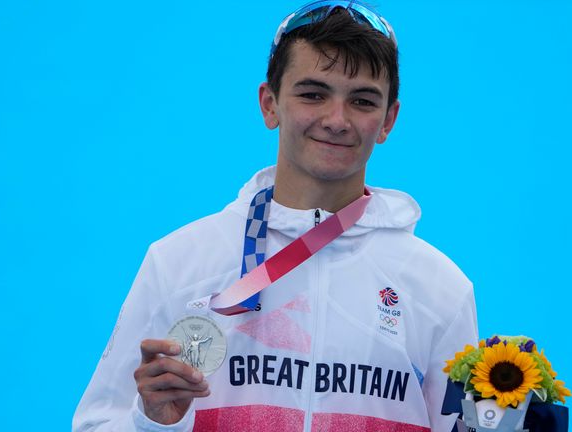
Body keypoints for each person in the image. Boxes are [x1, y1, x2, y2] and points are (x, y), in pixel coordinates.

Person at [73, 1, 477, 431]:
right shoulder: (179, 262)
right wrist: (151, 423)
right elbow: (96, 423)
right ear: (270, 104)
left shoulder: (439, 290)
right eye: (313, 94)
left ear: (388, 120)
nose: (337, 120)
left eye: (361, 100)